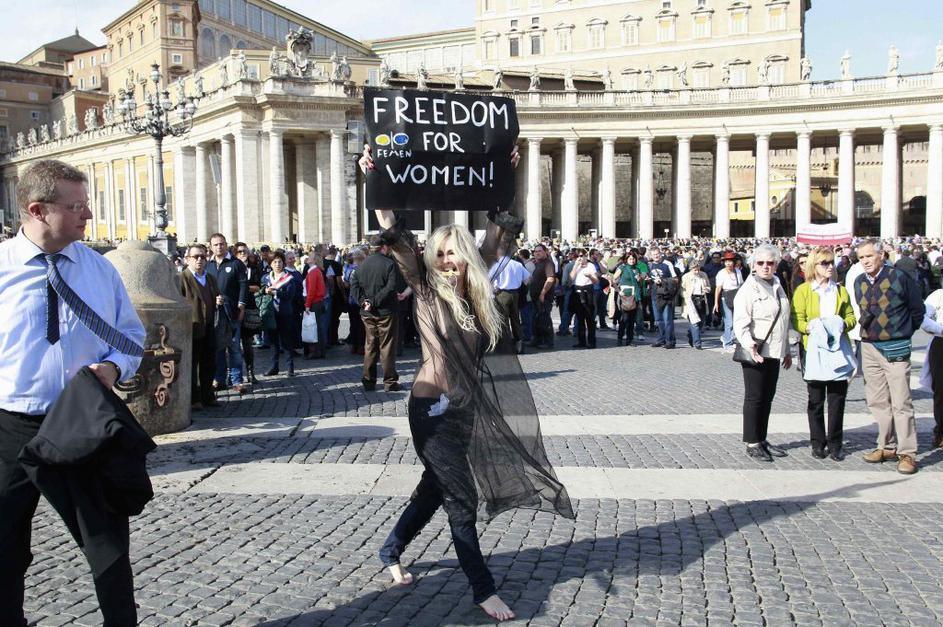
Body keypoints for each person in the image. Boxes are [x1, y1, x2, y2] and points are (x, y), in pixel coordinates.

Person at [361, 146, 573, 622]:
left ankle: (391, 549)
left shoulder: (479, 296)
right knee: (461, 496)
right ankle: (483, 589)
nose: (447, 260)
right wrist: (377, 189)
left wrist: (507, 173)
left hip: (466, 406)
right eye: (440, 254)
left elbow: (502, 227)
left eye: (454, 252)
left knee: (433, 489)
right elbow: (396, 238)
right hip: (430, 408)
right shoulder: (424, 287)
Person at [0, 159, 146, 625]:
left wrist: (112, 366)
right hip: (8, 428)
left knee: (106, 544)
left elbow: (131, 335)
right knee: (4, 545)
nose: (88, 215)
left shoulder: (99, 270)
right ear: (37, 209)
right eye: (77, 206)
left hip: (81, 425)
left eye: (88, 205)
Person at [853, 239, 924, 474]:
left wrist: (903, 332)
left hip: (895, 346)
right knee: (877, 401)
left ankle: (908, 453)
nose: (865, 261)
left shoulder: (899, 277)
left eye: (869, 256)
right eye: (861, 257)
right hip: (869, 346)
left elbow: (917, 310)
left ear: (881, 255)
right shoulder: (859, 281)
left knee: (901, 401)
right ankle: (886, 445)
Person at [791, 247, 857, 461]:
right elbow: (796, 318)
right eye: (824, 263)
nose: (830, 267)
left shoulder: (840, 290)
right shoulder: (803, 290)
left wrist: (841, 324)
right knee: (816, 400)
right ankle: (817, 442)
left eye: (831, 262)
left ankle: (835, 442)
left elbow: (851, 317)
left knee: (837, 399)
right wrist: (809, 328)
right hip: (814, 349)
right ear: (814, 266)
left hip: (837, 349)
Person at [733, 244, 793, 462]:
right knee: (754, 397)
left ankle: (762, 437)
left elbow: (783, 321)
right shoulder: (747, 290)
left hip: (775, 351)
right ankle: (752, 441)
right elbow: (740, 323)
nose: (766, 266)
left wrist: (786, 350)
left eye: (770, 262)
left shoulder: (778, 284)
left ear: (776, 265)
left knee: (768, 397)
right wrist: (750, 346)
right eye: (761, 263)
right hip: (756, 350)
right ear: (753, 265)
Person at [351, 235, 402, 392]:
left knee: (370, 346)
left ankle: (368, 381)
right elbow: (391, 287)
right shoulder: (389, 264)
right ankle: (390, 382)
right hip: (385, 311)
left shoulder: (361, 265)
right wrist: (374, 301)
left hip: (367, 313)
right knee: (387, 347)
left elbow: (354, 287)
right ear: (384, 247)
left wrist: (364, 302)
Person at [206, 233, 248, 394]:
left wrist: (241, 306)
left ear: (226, 244)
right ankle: (220, 379)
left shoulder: (236, 264)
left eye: (222, 244)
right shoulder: (208, 265)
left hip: (232, 312)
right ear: (211, 247)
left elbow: (243, 286)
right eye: (216, 244)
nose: (219, 247)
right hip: (215, 313)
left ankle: (237, 380)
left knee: (234, 347)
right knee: (218, 348)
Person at [180, 244, 221, 410]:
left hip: (210, 326)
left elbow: (216, 296)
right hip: (192, 328)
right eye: (195, 256)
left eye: (202, 257)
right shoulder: (182, 278)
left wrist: (219, 301)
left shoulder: (210, 278)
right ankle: (194, 398)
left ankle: (207, 395)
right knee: (193, 365)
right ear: (187, 259)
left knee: (209, 363)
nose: (199, 260)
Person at [262, 251, 301, 377]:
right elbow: (261, 293)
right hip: (270, 313)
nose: (277, 264)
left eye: (280, 261)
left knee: (286, 341)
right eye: (275, 262)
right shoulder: (266, 278)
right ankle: (274, 366)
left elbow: (290, 295)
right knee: (273, 342)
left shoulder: (289, 278)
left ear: (283, 263)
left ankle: (290, 368)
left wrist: (275, 293)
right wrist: (265, 291)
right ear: (270, 264)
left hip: (285, 313)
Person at [490, 253, 530, 354]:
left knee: (503, 319)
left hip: (502, 293)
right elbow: (528, 278)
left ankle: (505, 344)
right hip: (515, 293)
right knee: (515, 318)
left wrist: (494, 289)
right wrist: (518, 284)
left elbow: (490, 279)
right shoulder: (518, 264)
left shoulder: (497, 265)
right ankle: (519, 343)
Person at [920, 286, 943, 449]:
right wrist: (940, 329)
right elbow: (923, 317)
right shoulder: (939, 295)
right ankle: (941, 431)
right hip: (941, 343)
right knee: (941, 391)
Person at [234, 243, 261, 383]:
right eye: (239, 252)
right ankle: (232, 375)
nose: (243, 253)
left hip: (249, 307)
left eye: (245, 251)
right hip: (234, 308)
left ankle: (250, 371)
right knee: (232, 344)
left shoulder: (253, 268)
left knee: (248, 343)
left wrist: (243, 286)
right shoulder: (231, 267)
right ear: (235, 254)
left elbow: (257, 287)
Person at [648, 246, 678, 349]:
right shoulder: (650, 265)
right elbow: (648, 278)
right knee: (658, 319)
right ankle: (661, 338)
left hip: (666, 295)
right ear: (651, 255)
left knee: (667, 319)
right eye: (654, 254)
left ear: (661, 254)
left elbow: (675, 279)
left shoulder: (667, 264)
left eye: (657, 254)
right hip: (654, 295)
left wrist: (663, 281)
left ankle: (670, 341)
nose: (656, 256)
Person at [612, 251, 644, 346]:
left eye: (633, 259)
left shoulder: (637, 269)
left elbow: (640, 284)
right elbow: (613, 280)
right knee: (624, 318)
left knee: (631, 319)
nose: (632, 260)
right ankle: (619, 338)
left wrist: (640, 280)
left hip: (635, 296)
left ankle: (629, 340)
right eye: (630, 259)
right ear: (626, 259)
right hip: (625, 296)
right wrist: (618, 290)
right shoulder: (622, 268)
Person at [528, 243, 557, 349]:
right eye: (535, 251)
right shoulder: (538, 263)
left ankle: (548, 342)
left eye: (540, 251)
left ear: (546, 252)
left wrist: (543, 292)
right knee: (537, 319)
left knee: (545, 319)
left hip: (544, 297)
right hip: (536, 297)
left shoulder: (548, 263)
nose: (537, 253)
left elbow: (551, 279)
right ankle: (537, 339)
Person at [714, 251, 743, 351]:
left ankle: (727, 337)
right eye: (726, 261)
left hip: (737, 296)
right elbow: (718, 289)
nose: (728, 263)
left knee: (736, 321)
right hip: (725, 297)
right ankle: (727, 343)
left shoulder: (738, 271)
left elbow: (741, 285)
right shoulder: (721, 273)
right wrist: (716, 303)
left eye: (730, 261)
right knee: (729, 321)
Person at [569, 251, 600, 349]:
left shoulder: (590, 266)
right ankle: (581, 341)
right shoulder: (576, 265)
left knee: (589, 318)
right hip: (577, 291)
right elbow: (571, 278)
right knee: (579, 318)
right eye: (578, 256)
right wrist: (575, 266)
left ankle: (591, 341)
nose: (580, 258)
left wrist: (590, 276)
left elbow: (596, 281)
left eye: (582, 256)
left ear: (586, 257)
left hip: (588, 291)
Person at [681, 258, 710, 349]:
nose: (697, 271)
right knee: (694, 323)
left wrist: (707, 289)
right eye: (695, 270)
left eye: (698, 269)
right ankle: (697, 343)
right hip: (691, 300)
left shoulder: (703, 275)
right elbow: (682, 290)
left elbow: (708, 286)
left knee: (701, 322)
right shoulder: (686, 277)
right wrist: (686, 297)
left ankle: (691, 334)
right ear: (690, 269)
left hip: (702, 299)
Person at [343, 248, 367, 355]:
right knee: (362, 324)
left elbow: (346, 284)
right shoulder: (362, 270)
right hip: (361, 300)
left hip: (351, 300)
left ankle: (354, 345)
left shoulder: (348, 269)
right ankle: (361, 346)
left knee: (353, 323)